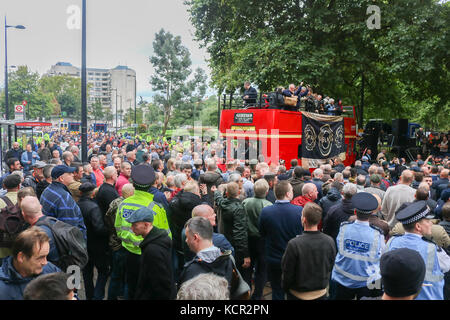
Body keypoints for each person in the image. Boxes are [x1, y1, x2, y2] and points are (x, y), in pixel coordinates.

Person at [115, 164, 171, 300]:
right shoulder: (156, 208)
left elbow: (119, 230)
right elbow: (166, 236)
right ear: (153, 183)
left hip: (130, 255)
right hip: (150, 256)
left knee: (132, 287)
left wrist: (134, 242)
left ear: (132, 183)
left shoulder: (123, 204)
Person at [386, 201, 450, 300]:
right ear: (418, 226)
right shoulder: (432, 248)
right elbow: (447, 266)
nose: (430, 224)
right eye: (428, 221)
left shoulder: (392, 241)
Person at [331, 192, 385, 300]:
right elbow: (382, 255)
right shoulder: (377, 234)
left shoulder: (343, 228)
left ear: (355, 212)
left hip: (342, 278)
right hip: (367, 282)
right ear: (371, 214)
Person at [281, 202, 336, 300]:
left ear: (304, 219)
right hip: (320, 293)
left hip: (297, 294)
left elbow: (287, 272)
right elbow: (330, 265)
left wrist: (285, 288)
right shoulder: (329, 241)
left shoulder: (294, 244)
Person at [259, 180, 303, 300]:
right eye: (292, 191)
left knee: (277, 290)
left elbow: (262, 233)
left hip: (273, 258)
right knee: (293, 290)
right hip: (293, 258)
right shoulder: (299, 211)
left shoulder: (266, 212)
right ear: (288, 194)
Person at [125, 207, 176, 300]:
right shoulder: (158, 240)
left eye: (135, 225)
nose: (131, 228)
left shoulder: (152, 250)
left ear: (146, 224)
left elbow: (161, 284)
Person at [0, 227, 60, 300]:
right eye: (40, 257)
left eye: (46, 256)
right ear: (21, 257)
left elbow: (69, 292)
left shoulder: (50, 270)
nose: (45, 262)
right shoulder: (3, 288)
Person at [178, 217, 234, 291]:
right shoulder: (228, 260)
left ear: (195, 237)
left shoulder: (191, 270)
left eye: (187, 237)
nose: (186, 241)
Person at [213, 182, 251, 287]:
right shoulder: (239, 208)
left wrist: (216, 191)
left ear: (227, 193)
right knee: (240, 274)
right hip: (236, 246)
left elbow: (218, 199)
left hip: (226, 241)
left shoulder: (223, 203)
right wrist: (245, 254)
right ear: (238, 192)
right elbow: (240, 233)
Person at [77, 182, 110, 300]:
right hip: (96, 246)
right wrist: (110, 230)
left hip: (82, 245)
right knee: (103, 271)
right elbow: (99, 228)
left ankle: (89, 296)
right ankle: (97, 296)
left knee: (87, 274)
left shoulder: (76, 205)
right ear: (92, 194)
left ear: (81, 193)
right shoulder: (94, 207)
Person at [242, 179, 272, 300]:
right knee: (262, 268)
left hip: (248, 239)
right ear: (267, 191)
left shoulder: (245, 202)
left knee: (247, 268)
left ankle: (246, 292)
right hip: (262, 241)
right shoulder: (268, 205)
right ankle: (258, 295)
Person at [104, 183, 134, 300]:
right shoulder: (128, 206)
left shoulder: (114, 202)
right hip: (124, 244)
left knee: (115, 275)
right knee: (127, 277)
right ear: (131, 193)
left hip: (114, 242)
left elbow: (107, 219)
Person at [39, 165, 87, 238]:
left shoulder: (48, 189)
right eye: (69, 173)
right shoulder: (64, 197)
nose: (72, 175)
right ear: (61, 178)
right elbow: (69, 230)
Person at [0, 174, 24, 260]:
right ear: (19, 186)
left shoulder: (0, 201)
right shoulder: (25, 200)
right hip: (21, 247)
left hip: (2, 247)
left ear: (5, 186)